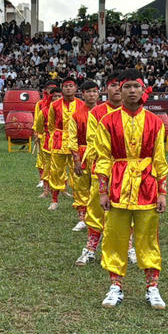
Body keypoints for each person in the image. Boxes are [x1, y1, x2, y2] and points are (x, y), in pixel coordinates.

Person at [94, 71, 168, 309]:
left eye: (136, 86)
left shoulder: (155, 122)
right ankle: (115, 286)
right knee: (115, 237)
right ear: (120, 90)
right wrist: (103, 190)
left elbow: (160, 159)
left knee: (148, 237)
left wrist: (162, 192)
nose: (132, 91)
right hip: (117, 185)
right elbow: (103, 157)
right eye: (127, 86)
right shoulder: (108, 121)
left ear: (143, 90)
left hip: (147, 186)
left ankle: (152, 288)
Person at [76, 76, 121, 267]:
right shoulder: (97, 113)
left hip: (128, 172)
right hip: (101, 168)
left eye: (123, 85)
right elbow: (93, 141)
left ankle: (127, 247)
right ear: (106, 89)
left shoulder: (139, 114)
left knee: (127, 209)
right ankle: (91, 248)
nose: (118, 89)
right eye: (114, 85)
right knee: (95, 209)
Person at [65, 80, 99, 234]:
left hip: (100, 154)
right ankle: (82, 218)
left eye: (94, 91)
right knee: (81, 186)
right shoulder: (76, 115)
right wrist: (76, 159)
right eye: (89, 92)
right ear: (83, 94)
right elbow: (72, 138)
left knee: (100, 186)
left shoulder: (106, 112)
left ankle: (99, 216)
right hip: (82, 153)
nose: (92, 94)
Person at [45, 77, 80, 211]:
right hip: (59, 141)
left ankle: (79, 199)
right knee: (56, 170)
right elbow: (51, 124)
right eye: (66, 86)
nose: (68, 88)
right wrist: (56, 136)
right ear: (62, 87)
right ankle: (54, 200)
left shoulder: (81, 104)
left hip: (76, 142)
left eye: (71, 86)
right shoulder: (54, 105)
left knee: (77, 171)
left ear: (75, 88)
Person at [33, 81, 57, 191]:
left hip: (58, 137)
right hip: (44, 136)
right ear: (45, 90)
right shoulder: (40, 104)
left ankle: (59, 183)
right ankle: (42, 180)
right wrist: (37, 133)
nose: (51, 91)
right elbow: (37, 120)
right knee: (41, 159)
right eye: (50, 88)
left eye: (54, 88)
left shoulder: (60, 103)